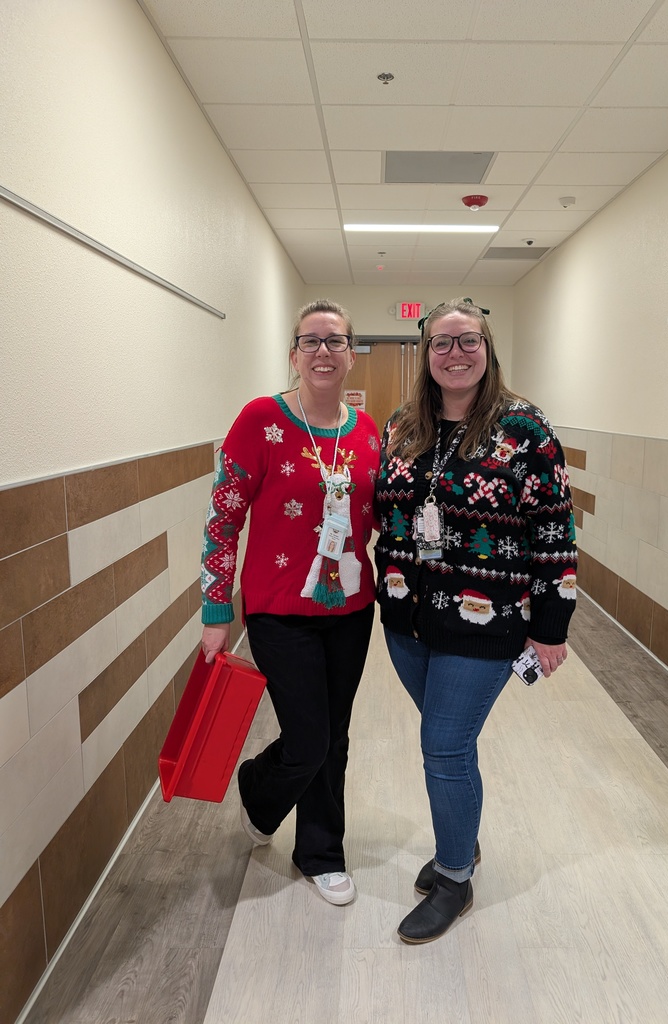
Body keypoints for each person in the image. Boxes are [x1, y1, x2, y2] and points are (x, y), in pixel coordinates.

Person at [374, 297, 577, 942]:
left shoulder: (524, 427)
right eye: (441, 343)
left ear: (488, 350)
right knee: (448, 741)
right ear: (424, 353)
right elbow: (384, 512)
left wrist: (551, 625)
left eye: (468, 342)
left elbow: (555, 529)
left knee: (444, 745)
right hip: (406, 617)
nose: (455, 354)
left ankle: (456, 873)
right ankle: (463, 841)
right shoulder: (402, 425)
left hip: (487, 622)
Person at [200, 299, 380, 906]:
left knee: (335, 736)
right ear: (294, 355)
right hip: (280, 611)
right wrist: (216, 611)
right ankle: (259, 786)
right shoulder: (260, 420)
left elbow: (377, 518)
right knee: (307, 739)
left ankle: (321, 853)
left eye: (336, 341)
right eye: (312, 341)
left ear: (351, 355)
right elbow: (223, 518)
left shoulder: (366, 432)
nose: (324, 351)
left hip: (353, 610)